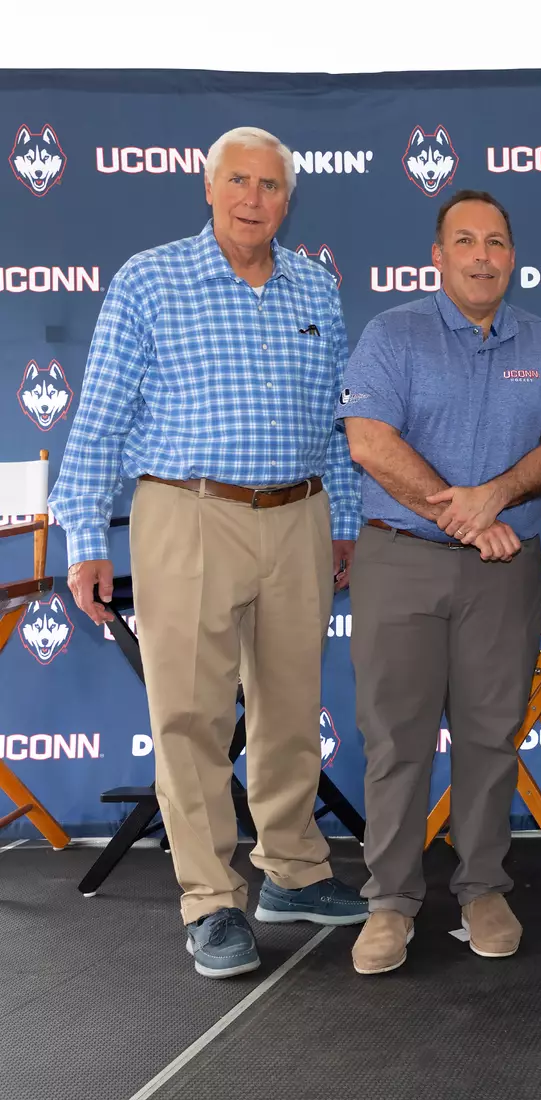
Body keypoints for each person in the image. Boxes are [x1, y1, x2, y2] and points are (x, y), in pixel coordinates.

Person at [51, 126, 366, 979]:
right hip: (186, 515)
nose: (253, 200)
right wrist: (84, 535)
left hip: (299, 514)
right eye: (238, 182)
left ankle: (293, 873)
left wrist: (345, 516)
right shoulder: (151, 279)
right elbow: (103, 416)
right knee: (190, 718)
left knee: (292, 708)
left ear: (287, 199)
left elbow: (336, 419)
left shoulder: (315, 285)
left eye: (269, 186)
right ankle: (210, 901)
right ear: (207, 186)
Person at [338, 189, 541, 975]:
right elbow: (369, 442)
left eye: (497, 242)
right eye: (466, 241)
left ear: (512, 256)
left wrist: (496, 499)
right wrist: (469, 514)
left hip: (502, 572)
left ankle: (482, 886)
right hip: (402, 559)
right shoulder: (393, 334)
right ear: (438, 255)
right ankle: (390, 902)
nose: (483, 255)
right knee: (396, 739)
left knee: (489, 733)